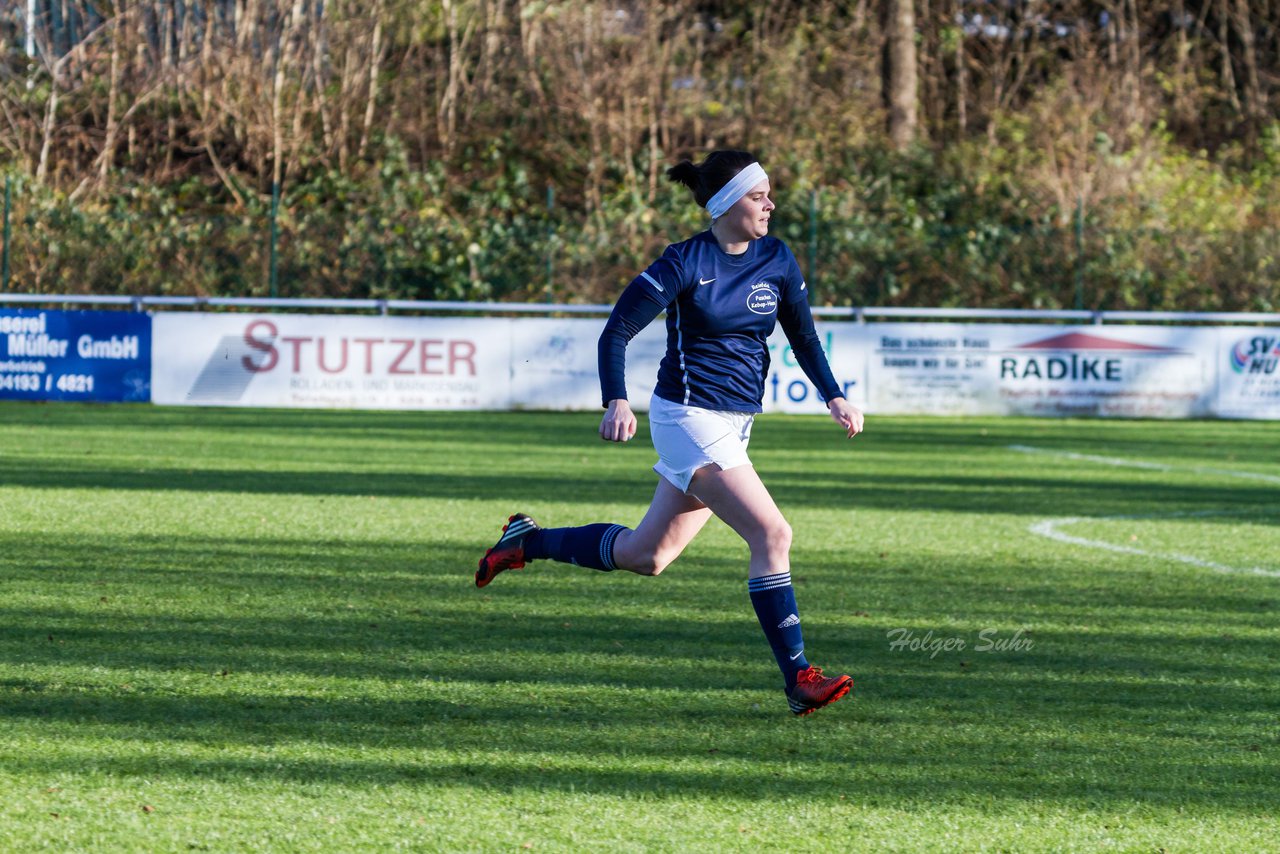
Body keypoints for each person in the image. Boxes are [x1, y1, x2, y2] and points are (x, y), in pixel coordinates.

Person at [476, 150, 864, 716]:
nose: (771, 204)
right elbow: (616, 332)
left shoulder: (778, 258)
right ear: (727, 203)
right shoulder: (684, 261)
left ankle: (524, 541)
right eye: (759, 196)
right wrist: (616, 400)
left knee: (646, 555)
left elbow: (804, 338)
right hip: (686, 417)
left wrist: (834, 394)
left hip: (734, 424)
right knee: (772, 535)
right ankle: (799, 678)